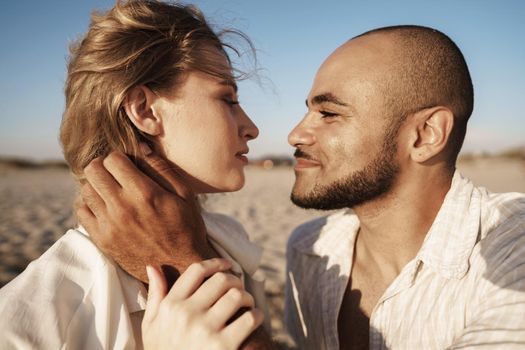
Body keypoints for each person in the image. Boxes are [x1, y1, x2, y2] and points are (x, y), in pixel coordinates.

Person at [77, 26, 525, 349]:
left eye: (329, 114)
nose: (294, 134)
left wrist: (183, 260)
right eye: (307, 110)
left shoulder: (511, 254)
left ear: (426, 135)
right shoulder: (310, 250)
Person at [0, 1, 273, 349]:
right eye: (228, 99)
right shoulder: (36, 318)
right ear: (144, 110)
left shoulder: (229, 239)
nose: (251, 128)